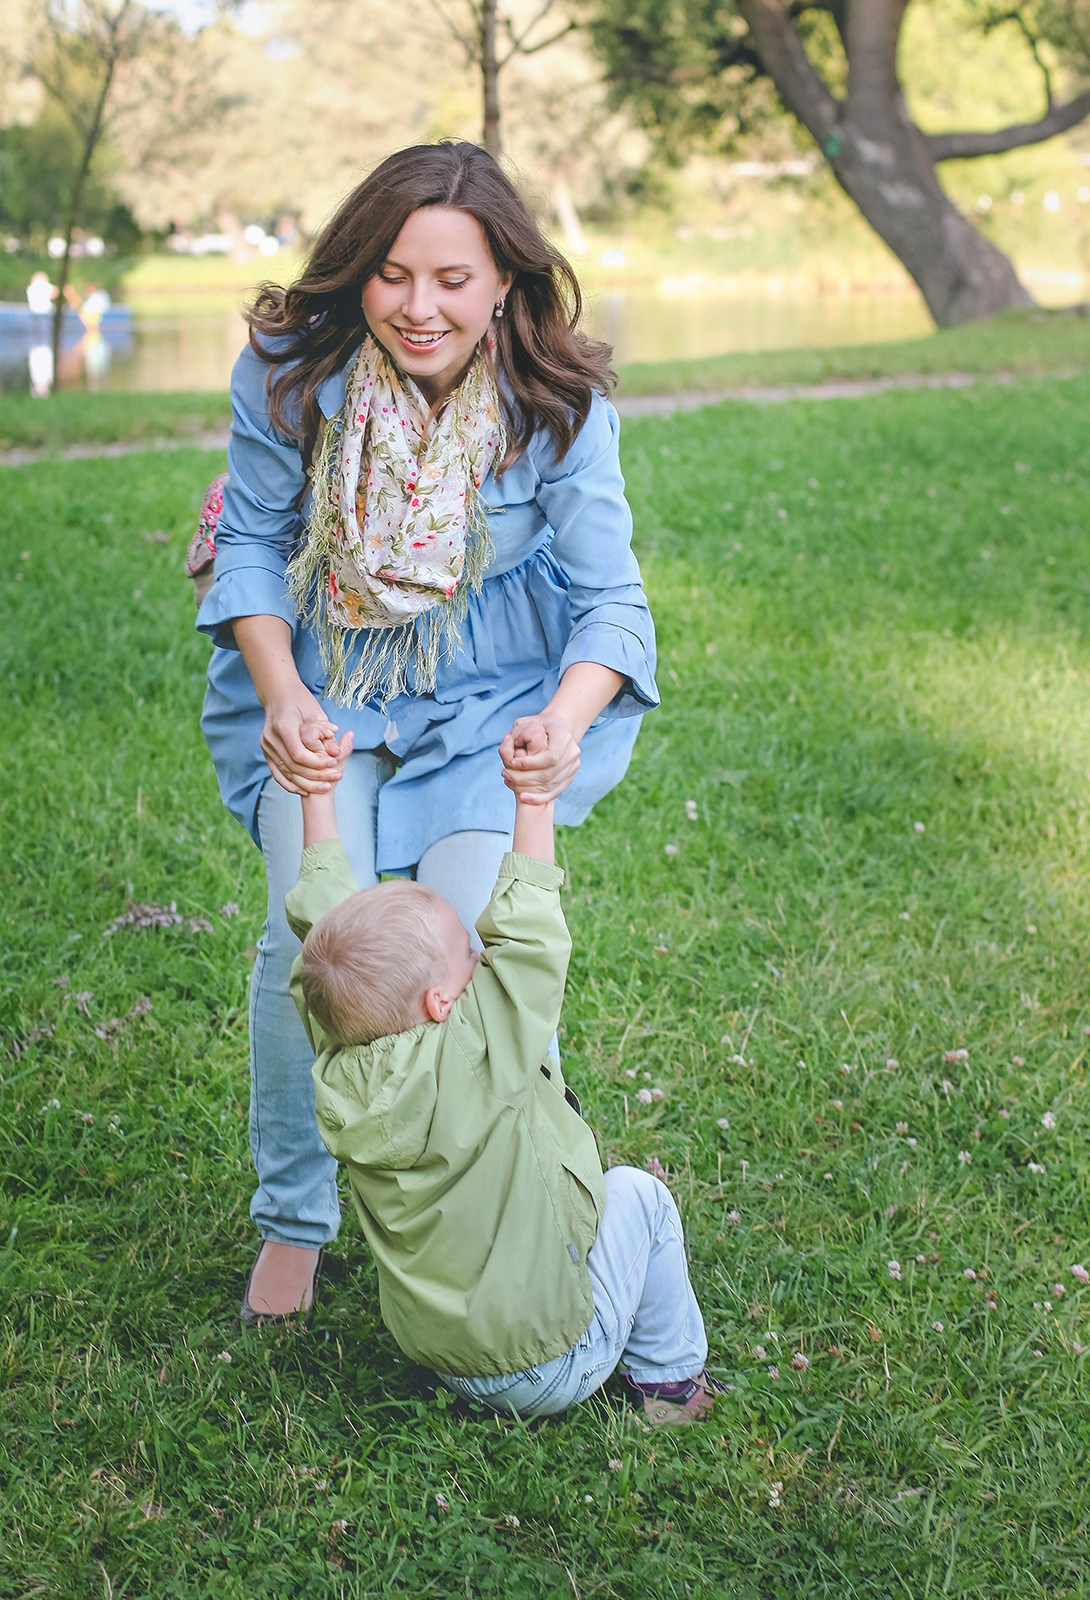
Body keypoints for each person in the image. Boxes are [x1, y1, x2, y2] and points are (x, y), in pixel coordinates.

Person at [196, 140, 658, 1325]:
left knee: (475, 944)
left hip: (495, 699)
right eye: (393, 273)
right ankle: (295, 1220)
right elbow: (249, 541)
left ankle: (500, 1193)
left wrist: (560, 722)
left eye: (452, 278)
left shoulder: (559, 402)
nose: (419, 306)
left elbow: (611, 604)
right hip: (327, 683)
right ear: (360, 273)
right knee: (309, 933)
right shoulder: (293, 377)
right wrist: (284, 693)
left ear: (504, 278)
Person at [281, 719, 717, 1425]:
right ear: (440, 1000)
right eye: (464, 947)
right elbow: (529, 936)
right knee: (640, 1200)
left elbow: (324, 935)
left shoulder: (337, 1046)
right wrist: (534, 801)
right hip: (546, 1363)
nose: (478, 952)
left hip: (441, 1355)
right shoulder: (481, 1047)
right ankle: (670, 1384)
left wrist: (316, 797)